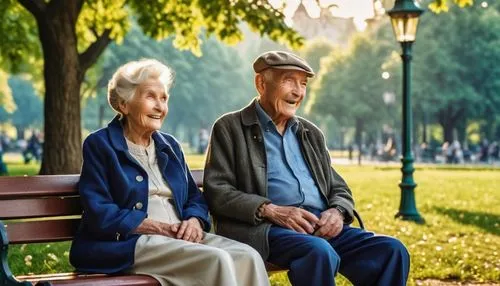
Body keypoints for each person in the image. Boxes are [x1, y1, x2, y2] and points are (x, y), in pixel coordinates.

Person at [204, 51, 410, 286]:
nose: (298, 92)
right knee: (318, 251)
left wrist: (337, 212)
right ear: (261, 83)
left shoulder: (310, 133)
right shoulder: (230, 127)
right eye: (289, 81)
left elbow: (338, 187)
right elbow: (217, 191)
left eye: (302, 84)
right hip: (265, 230)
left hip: (320, 228)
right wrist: (270, 210)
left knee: (391, 250)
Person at [69, 59, 269, 286]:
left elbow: (195, 197)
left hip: (179, 237)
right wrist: (157, 228)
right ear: (124, 105)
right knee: (217, 260)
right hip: (129, 243)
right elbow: (99, 210)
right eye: (150, 97)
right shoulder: (101, 144)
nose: (160, 107)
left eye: (163, 98)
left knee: (248, 257)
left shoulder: (169, 145)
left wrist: (193, 221)